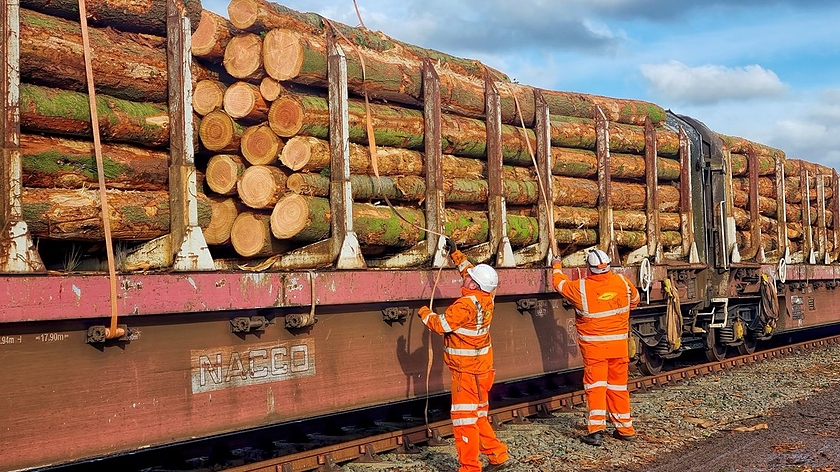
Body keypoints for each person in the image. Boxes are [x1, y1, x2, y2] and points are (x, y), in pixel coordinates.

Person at [418, 237, 510, 472]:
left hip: (466, 373)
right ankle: (497, 455)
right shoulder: (487, 298)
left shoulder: (465, 306)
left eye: (469, 279)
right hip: (482, 370)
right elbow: (470, 273)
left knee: (464, 421)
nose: (465, 277)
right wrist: (456, 254)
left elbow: (440, 325)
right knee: (479, 416)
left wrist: (424, 312)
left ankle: (470, 467)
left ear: (474, 286)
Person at [551, 248, 640, 446]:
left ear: (588, 269)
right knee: (618, 387)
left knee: (596, 388)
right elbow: (634, 301)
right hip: (618, 348)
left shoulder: (580, 288)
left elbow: (558, 283)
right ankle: (625, 428)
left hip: (595, 351)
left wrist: (556, 264)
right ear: (608, 266)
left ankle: (597, 431)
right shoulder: (623, 282)